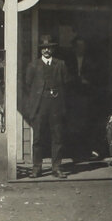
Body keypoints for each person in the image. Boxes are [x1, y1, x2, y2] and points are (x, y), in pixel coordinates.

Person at [24, 34, 70, 178]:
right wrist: (37, 99)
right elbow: (28, 85)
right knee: (38, 138)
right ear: (40, 50)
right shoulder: (33, 65)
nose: (46, 50)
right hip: (39, 105)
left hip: (56, 104)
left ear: (52, 49)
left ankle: (56, 168)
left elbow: (66, 83)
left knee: (57, 137)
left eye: (49, 47)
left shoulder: (60, 64)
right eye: (43, 48)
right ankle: (37, 168)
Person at [65, 36, 105, 160]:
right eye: (78, 46)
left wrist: (87, 81)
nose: (80, 49)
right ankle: (74, 153)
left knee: (87, 125)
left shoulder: (92, 61)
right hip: (73, 98)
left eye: (83, 46)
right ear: (74, 47)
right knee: (73, 127)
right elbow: (66, 77)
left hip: (88, 98)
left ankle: (88, 151)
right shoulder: (67, 60)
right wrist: (77, 80)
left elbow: (97, 78)